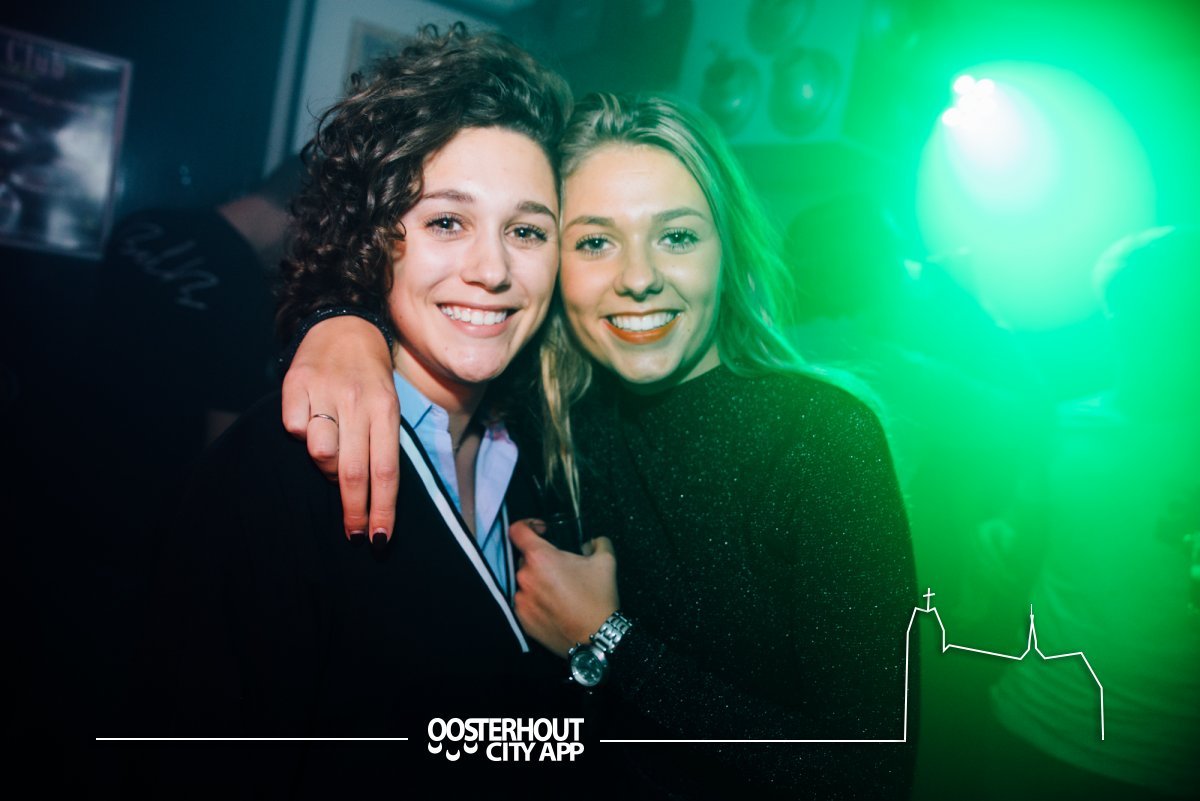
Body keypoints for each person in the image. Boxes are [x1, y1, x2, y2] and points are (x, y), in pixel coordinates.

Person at [281, 93, 917, 799]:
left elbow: (872, 768)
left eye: (677, 236)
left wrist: (610, 641)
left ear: (728, 249)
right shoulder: (548, 414)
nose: (638, 278)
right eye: (594, 242)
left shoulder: (822, 438)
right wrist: (340, 323)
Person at [136, 25, 578, 794]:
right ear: (377, 238)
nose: (493, 269)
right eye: (447, 221)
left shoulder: (546, 460)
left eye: (527, 230)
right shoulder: (276, 472)